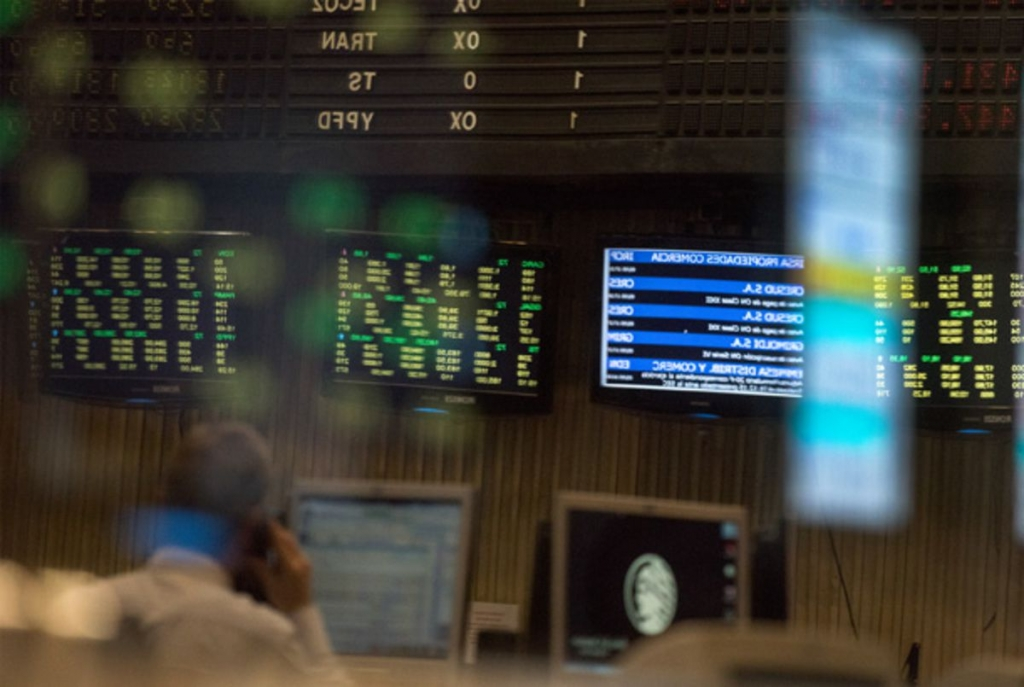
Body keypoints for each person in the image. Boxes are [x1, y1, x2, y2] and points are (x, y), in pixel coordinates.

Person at [63, 422, 350, 686]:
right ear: (253, 528)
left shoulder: (86, 611)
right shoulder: (266, 636)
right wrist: (300, 609)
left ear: (162, 505)